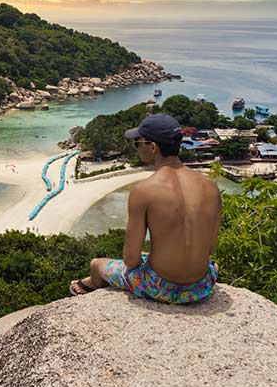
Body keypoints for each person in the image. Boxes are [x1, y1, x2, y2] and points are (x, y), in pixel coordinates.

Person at [69, 113, 221, 304]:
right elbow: (210, 247)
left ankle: (91, 283)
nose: (137, 148)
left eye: (137, 143)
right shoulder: (210, 186)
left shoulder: (144, 190)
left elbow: (131, 260)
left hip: (159, 287)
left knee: (98, 263)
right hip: (202, 286)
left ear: (153, 147)